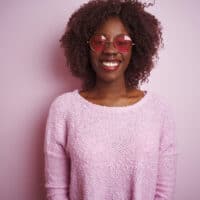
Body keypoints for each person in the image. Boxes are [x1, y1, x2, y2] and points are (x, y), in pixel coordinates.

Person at [44, 0, 178, 199]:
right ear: (85, 48)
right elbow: (57, 192)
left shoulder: (159, 111)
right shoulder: (64, 109)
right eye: (99, 41)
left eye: (122, 42)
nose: (110, 50)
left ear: (135, 48)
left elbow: (163, 192)